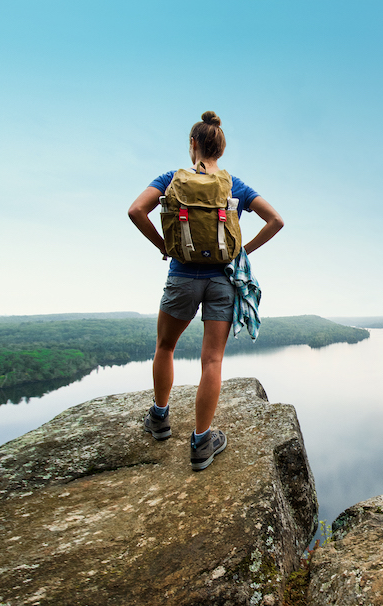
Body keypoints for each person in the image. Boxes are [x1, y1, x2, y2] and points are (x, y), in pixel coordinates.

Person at [127, 111, 284, 471]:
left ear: (193, 145)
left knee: (165, 347)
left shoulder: (171, 179)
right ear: (221, 150)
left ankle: (160, 419)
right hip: (222, 281)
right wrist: (243, 250)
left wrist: (163, 245)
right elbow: (277, 220)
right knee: (211, 360)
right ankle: (201, 443)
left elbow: (136, 210)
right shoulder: (234, 186)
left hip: (182, 276)